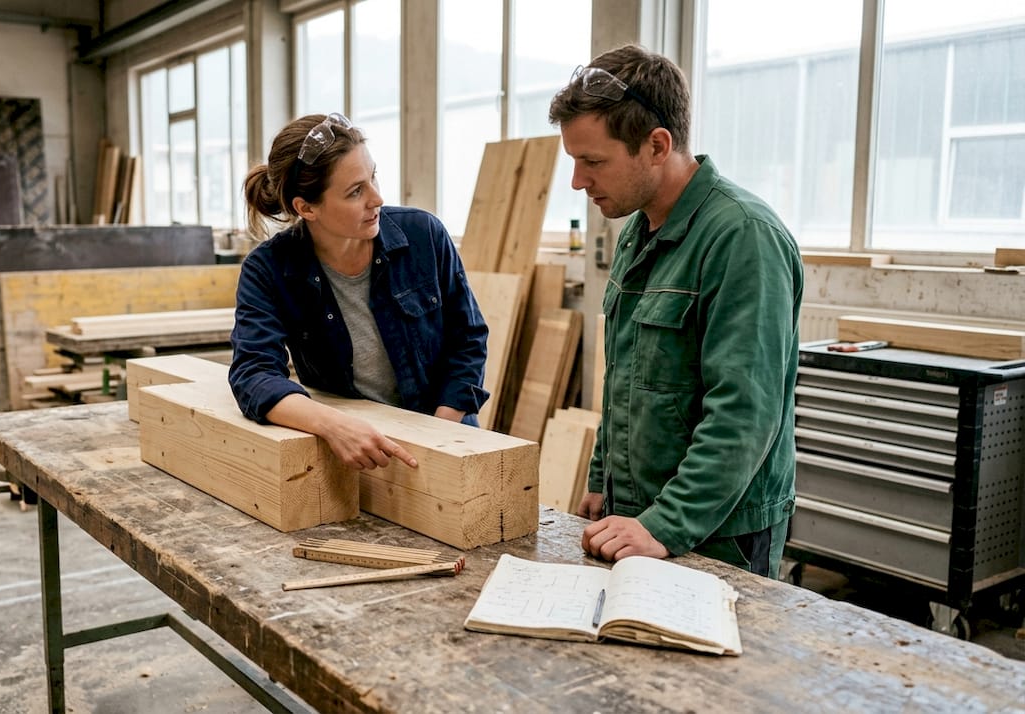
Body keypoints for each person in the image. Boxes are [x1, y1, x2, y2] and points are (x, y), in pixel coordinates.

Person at [547, 45, 803, 578]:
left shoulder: (743, 238)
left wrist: (665, 525)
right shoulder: (638, 232)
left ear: (657, 145)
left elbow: (744, 415)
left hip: (717, 534)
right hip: (640, 519)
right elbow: (624, 379)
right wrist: (602, 479)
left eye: (593, 162)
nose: (577, 181)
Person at [229, 112, 490, 472]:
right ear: (305, 208)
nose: (377, 198)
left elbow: (468, 338)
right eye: (356, 191)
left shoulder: (423, 235)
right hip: (354, 451)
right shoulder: (269, 270)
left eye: (373, 177)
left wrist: (438, 432)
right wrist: (332, 425)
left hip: (446, 436)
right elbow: (254, 374)